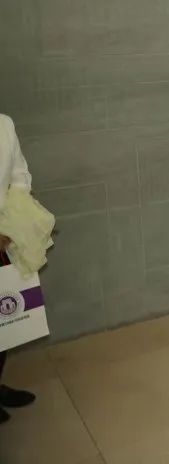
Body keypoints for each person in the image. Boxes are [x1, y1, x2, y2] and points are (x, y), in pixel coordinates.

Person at [0, 114, 38, 424]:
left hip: (5, 235)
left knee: (6, 317)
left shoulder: (4, 123)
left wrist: (12, 225)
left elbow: (19, 176)